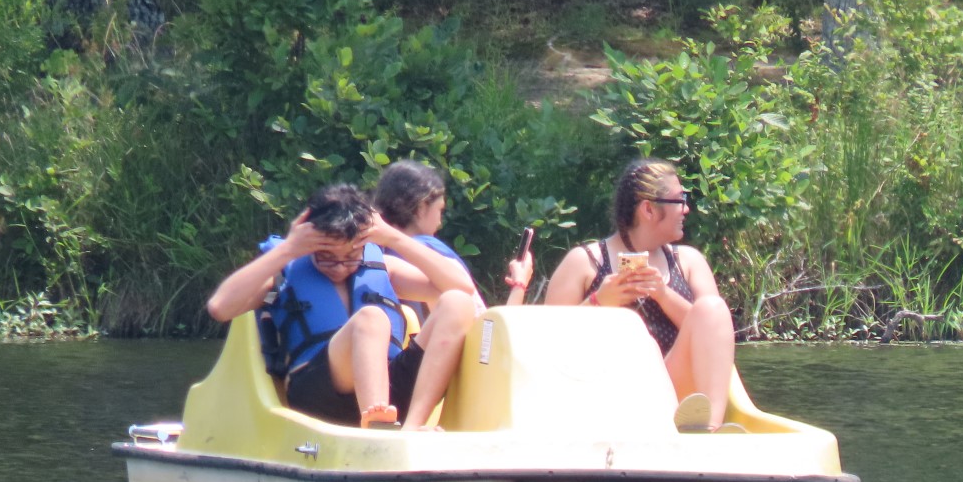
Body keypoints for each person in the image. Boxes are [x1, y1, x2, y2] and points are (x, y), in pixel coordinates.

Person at [206, 183, 477, 430]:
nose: (339, 268)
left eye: (350, 258)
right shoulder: (285, 274)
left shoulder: (383, 267)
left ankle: (410, 430)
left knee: (457, 303)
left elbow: (462, 288)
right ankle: (377, 430)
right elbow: (220, 307)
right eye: (326, 257)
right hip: (320, 394)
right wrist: (288, 249)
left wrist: (394, 238)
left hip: (393, 393)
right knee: (371, 318)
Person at [544, 157, 738, 431]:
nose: (686, 209)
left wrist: (663, 295)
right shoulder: (584, 263)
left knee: (712, 309)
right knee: (638, 339)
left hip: (675, 395)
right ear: (648, 209)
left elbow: (715, 339)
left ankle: (710, 429)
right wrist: (598, 303)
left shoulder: (690, 262)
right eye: (680, 199)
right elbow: (546, 347)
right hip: (607, 396)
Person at [374, 159, 534, 310]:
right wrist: (519, 284)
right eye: (440, 210)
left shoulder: (374, 258)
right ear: (421, 208)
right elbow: (488, 335)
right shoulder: (428, 248)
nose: (440, 223)